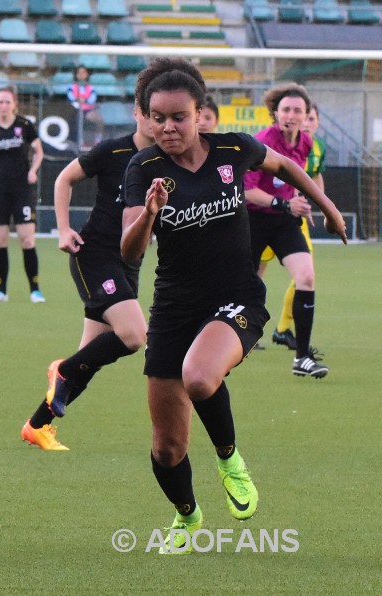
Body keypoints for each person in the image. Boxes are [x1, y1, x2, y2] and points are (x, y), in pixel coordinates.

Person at [121, 58, 346, 553]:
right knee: (167, 446)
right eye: (156, 117)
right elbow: (130, 251)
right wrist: (150, 215)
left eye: (178, 116)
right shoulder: (144, 168)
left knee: (199, 376)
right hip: (174, 308)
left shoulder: (233, 148)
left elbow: (285, 166)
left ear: (200, 114)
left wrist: (327, 209)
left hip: (236, 298)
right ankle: (188, 517)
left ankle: (229, 459)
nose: (167, 126)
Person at [21, 104, 154, 451]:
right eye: (153, 113)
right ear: (138, 112)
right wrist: (63, 230)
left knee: (89, 359)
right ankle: (61, 368)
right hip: (94, 255)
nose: (160, 123)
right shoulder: (114, 150)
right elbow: (65, 178)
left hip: (129, 263)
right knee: (134, 335)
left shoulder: (168, 160)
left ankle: (37, 426)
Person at [244, 85, 329, 378]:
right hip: (254, 221)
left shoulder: (305, 143)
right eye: (286, 110)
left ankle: (302, 358)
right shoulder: (261, 143)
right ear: (275, 113)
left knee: (306, 276)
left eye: (297, 110)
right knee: (243, 286)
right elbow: (247, 191)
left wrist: (319, 207)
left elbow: (304, 179)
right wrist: (285, 203)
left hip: (283, 222)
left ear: (306, 116)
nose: (291, 115)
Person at [261, 102, 326, 351]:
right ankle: (242, 326)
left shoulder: (315, 147)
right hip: (264, 215)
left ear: (316, 121)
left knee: (306, 275)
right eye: (299, 114)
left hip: (293, 218)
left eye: (309, 117)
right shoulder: (270, 141)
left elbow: (315, 177)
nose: (305, 121)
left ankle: (285, 330)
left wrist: (322, 204)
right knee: (253, 275)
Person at [0, 86, 46, 303]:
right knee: (0, 240)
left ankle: (35, 290)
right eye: (0, 102)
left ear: (14, 104)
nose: (4, 105)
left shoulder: (24, 126)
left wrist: (33, 171)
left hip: (22, 191)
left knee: (26, 239)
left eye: (8, 102)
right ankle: (1, 290)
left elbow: (39, 152)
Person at [67, 65, 104, 150]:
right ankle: (80, 141)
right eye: (79, 73)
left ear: (87, 74)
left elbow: (92, 98)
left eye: (83, 72)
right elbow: (70, 97)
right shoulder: (72, 87)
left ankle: (97, 141)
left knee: (99, 119)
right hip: (76, 109)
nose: (81, 75)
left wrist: (85, 100)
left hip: (87, 109)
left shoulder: (90, 87)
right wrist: (77, 99)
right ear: (76, 75)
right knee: (77, 119)